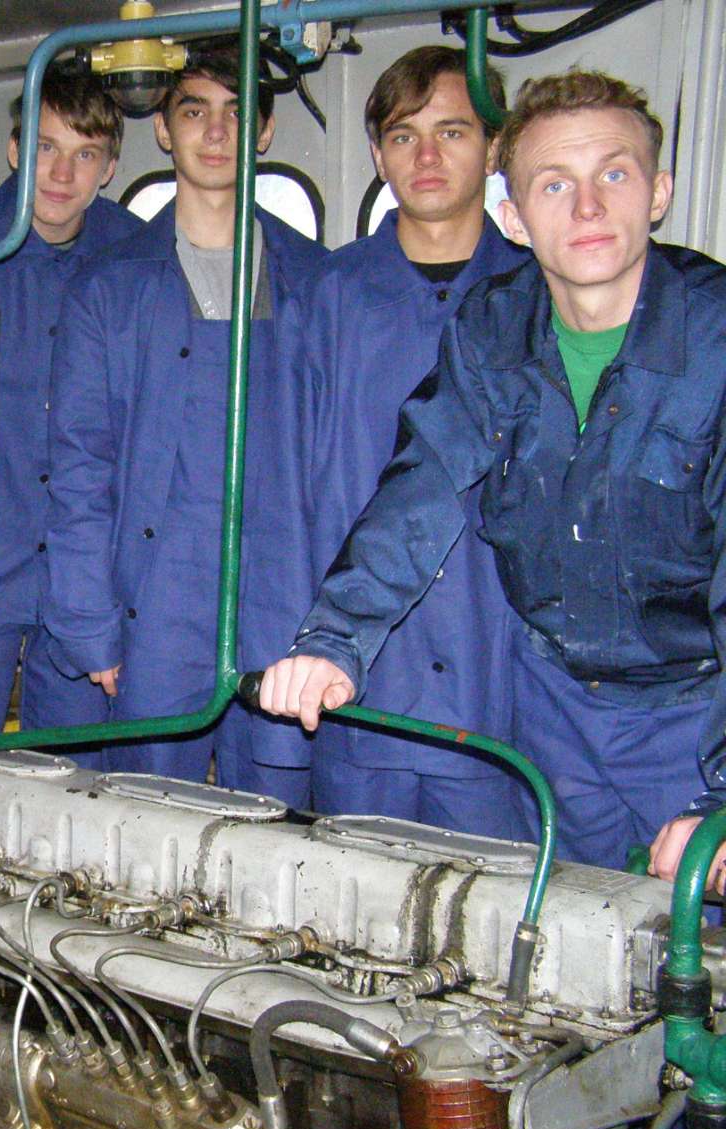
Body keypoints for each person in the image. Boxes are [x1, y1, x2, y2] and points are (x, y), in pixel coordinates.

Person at [257, 71, 726, 881]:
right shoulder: (491, 327)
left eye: (614, 174)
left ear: (659, 194)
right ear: (514, 216)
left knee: (697, 939)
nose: (588, 207)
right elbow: (424, 485)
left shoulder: (716, 338)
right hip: (552, 708)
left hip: (694, 712)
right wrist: (335, 640)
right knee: (567, 926)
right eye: (555, 184)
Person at [42, 44, 324, 795]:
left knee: (276, 821)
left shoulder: (318, 282)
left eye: (237, 113)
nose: (217, 132)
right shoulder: (110, 287)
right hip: (156, 602)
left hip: (284, 600)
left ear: (265, 131)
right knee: (147, 815)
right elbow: (79, 468)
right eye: (195, 111)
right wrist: (90, 623)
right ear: (164, 130)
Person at [275, 47, 532, 836]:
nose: (426, 156)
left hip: (502, 703)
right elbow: (282, 506)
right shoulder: (326, 297)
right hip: (359, 696)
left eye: (452, 131)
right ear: (378, 156)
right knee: (354, 898)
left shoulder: (542, 297)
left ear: (494, 147)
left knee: (498, 904)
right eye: (402, 135)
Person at [0, 60, 141, 763]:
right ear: (16, 149)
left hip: (87, 578)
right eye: (46, 147)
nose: (61, 173)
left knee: (77, 779)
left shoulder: (136, 254)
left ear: (109, 168)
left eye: (85, 154)